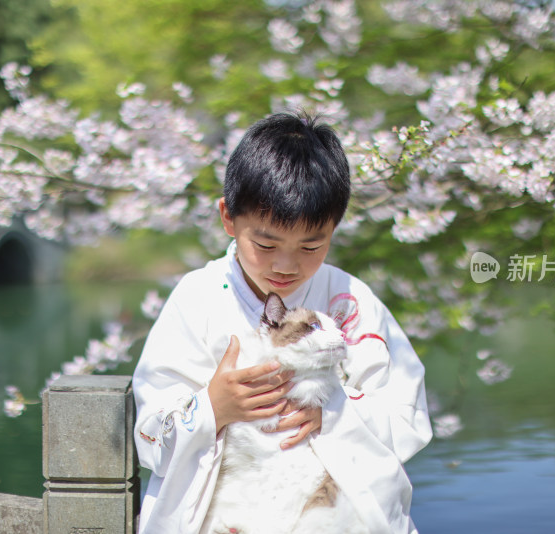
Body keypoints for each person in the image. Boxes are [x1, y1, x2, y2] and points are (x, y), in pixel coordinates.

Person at [133, 112, 432, 534]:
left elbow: (408, 421)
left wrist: (334, 409)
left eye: (312, 245)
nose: (286, 266)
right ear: (228, 217)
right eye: (265, 243)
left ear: (334, 229)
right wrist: (213, 408)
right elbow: (150, 437)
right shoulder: (196, 299)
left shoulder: (351, 301)